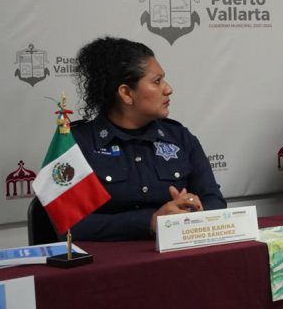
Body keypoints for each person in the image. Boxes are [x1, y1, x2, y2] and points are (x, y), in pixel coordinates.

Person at [69, 37, 226, 241]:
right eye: (156, 81)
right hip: (108, 260)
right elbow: (70, 225)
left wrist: (192, 211)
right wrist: (150, 222)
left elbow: (215, 202)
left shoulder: (180, 137)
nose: (168, 89)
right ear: (127, 93)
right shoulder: (76, 144)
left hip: (176, 254)